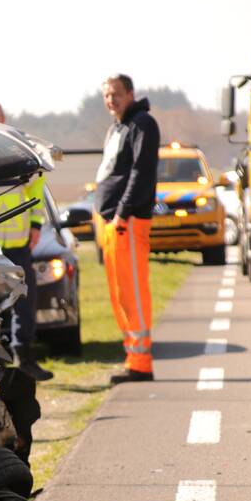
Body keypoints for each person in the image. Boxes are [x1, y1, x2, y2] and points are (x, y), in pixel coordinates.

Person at [0, 99, 53, 382]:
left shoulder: (18, 149)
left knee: (24, 302)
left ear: (5, 118)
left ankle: (25, 359)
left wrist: (35, 225)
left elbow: (36, 189)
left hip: (19, 244)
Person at [94, 74, 160, 384]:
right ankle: (133, 358)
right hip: (111, 223)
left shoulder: (142, 124)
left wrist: (122, 212)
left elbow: (141, 172)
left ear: (130, 93)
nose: (111, 99)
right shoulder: (117, 127)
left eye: (117, 94)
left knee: (132, 292)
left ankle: (142, 364)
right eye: (107, 95)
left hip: (128, 223)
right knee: (120, 294)